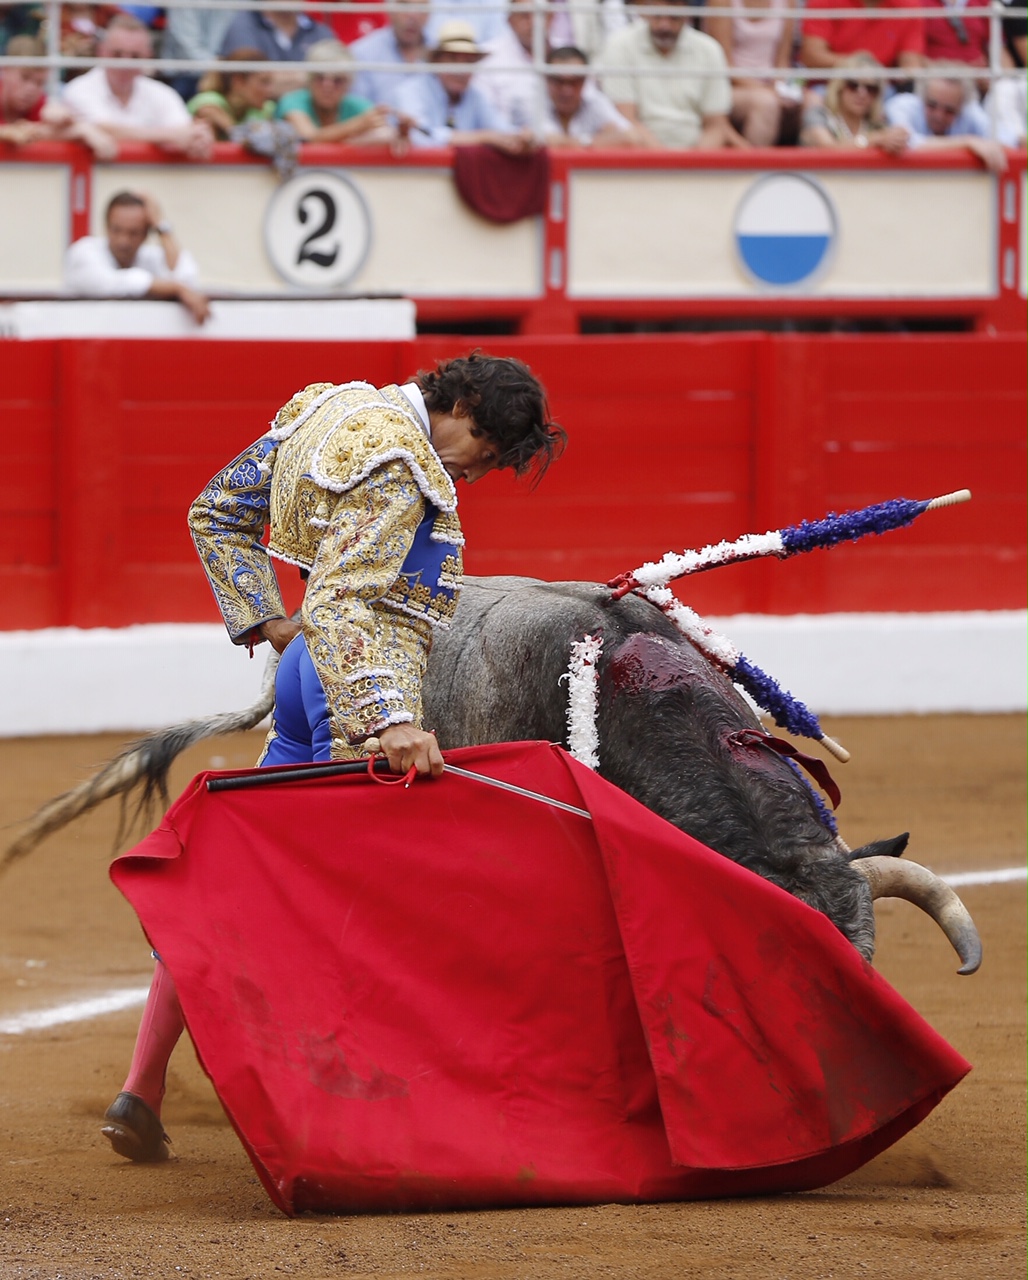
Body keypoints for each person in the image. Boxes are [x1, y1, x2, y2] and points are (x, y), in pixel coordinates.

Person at [100, 352, 565, 1162]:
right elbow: (350, 598)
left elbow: (216, 511)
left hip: (304, 672)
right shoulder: (402, 462)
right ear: (458, 404)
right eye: (483, 450)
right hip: (361, 682)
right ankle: (338, 1119)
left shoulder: (329, 408)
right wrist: (386, 718)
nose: (477, 471)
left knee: (235, 881)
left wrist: (267, 623)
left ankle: (141, 1084)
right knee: (358, 905)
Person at [595, 0, 746, 149]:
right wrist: (669, 163)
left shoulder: (709, 50)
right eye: (658, 16)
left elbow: (715, 125)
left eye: (673, 17)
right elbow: (627, 120)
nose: (664, 25)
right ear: (644, 10)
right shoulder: (619, 45)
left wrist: (693, 163)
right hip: (639, 158)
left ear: (687, 14)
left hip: (695, 157)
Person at [61, 14, 214, 159]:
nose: (125, 63)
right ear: (101, 52)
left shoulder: (162, 93)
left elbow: (186, 133)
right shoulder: (79, 89)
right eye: (117, 54)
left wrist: (199, 138)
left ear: (148, 56)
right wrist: (172, 136)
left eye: (135, 56)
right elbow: (103, 128)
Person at [64, 190, 211, 325]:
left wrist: (161, 225)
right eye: (117, 230)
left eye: (133, 233)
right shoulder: (83, 251)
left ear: (146, 234)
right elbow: (111, 284)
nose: (124, 241)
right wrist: (176, 288)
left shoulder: (148, 256)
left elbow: (185, 277)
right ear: (106, 227)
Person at [395, 20, 535, 151]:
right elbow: (419, 137)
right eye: (453, 59)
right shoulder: (411, 91)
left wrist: (522, 136)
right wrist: (484, 137)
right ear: (436, 61)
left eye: (468, 61)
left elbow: (501, 129)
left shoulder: (474, 96)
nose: (461, 70)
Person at [703, 0, 801, 146]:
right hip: (729, 87)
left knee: (813, 102)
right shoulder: (721, 2)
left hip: (770, 87)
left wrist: (781, 88)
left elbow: (782, 62)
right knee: (766, 104)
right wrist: (767, 91)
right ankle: (756, 167)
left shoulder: (788, 2)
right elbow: (724, 66)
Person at [0, 33, 116, 155]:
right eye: (25, 78)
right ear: (5, 70)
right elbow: (24, 134)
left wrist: (77, 128)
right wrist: (79, 131)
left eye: (40, 83)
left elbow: (34, 133)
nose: (31, 89)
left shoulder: (41, 105)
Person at [274, 39, 398, 145]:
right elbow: (308, 137)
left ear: (348, 84)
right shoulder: (292, 101)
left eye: (337, 80)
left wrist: (401, 132)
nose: (327, 86)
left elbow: (388, 135)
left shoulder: (356, 104)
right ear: (309, 80)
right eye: (320, 77)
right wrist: (357, 127)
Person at [885, 67, 1009, 169]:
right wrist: (968, 142)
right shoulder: (902, 105)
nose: (939, 115)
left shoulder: (969, 110)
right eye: (932, 105)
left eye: (949, 111)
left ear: (961, 107)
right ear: (921, 96)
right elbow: (908, 143)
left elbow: (1007, 140)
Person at [542, 45, 654, 147]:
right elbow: (553, 145)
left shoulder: (594, 101)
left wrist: (582, 142)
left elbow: (631, 138)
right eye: (559, 81)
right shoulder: (536, 104)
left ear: (585, 80)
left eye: (574, 81)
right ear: (546, 79)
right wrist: (602, 140)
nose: (567, 90)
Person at [800, 54, 910, 153]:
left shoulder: (877, 125)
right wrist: (875, 139)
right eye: (853, 85)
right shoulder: (818, 115)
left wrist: (898, 140)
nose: (862, 93)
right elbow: (827, 148)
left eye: (870, 88)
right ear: (839, 87)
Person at [799, 0, 927, 76]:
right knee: (813, 102)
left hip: (881, 90)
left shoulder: (908, 5)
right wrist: (864, 68)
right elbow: (812, 56)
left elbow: (911, 64)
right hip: (829, 85)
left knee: (905, 104)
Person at [349, 0, 430, 111]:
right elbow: (358, 111)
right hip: (378, 126)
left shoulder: (443, 55)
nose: (412, 15)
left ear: (429, 14)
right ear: (389, 9)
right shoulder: (362, 53)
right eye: (404, 5)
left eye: (420, 8)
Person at [187, 47, 280, 140]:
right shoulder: (210, 99)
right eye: (264, 82)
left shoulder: (265, 108)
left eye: (271, 83)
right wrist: (236, 132)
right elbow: (208, 110)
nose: (270, 90)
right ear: (238, 80)